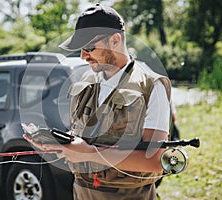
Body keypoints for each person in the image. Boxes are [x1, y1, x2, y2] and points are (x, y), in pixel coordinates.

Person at [24, 4, 171, 200]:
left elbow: (154, 161)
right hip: (81, 192)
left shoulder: (152, 86)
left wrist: (88, 154)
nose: (83, 56)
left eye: (89, 48)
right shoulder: (85, 82)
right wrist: (59, 144)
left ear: (115, 40)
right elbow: (84, 137)